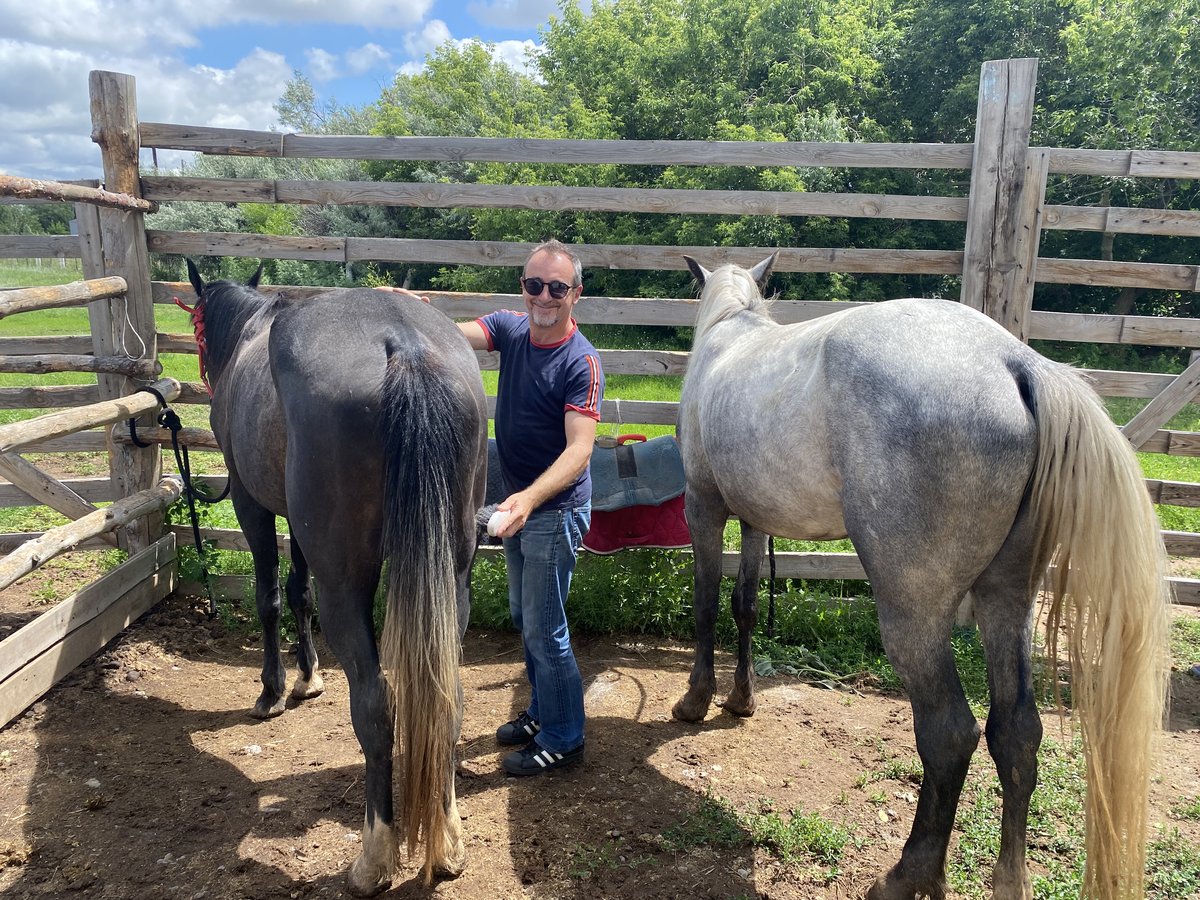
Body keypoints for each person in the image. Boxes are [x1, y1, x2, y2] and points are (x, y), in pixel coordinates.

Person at [378, 239, 604, 776]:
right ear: (522, 287)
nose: (542, 296)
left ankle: (565, 736)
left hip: (554, 509)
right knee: (528, 619)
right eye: (533, 285)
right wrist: (413, 309)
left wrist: (527, 498)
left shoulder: (582, 362)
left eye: (555, 287)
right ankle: (541, 712)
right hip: (517, 505)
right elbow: (452, 336)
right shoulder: (511, 328)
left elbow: (580, 450)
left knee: (546, 629)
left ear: (577, 293)